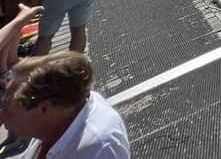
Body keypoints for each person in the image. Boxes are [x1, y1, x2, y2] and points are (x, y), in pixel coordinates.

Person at [0, 51, 130, 159]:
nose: (2, 115)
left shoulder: (98, 150)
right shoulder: (58, 123)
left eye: (7, 108)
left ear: (44, 108)